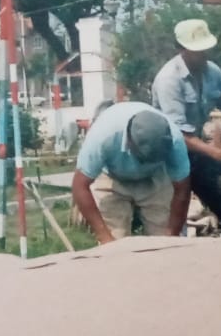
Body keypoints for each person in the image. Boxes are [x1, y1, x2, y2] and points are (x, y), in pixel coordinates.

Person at [152, 18, 221, 238]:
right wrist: (215, 152)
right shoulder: (169, 79)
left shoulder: (212, 72)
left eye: (205, 49)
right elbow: (177, 134)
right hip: (168, 155)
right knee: (172, 221)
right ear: (180, 49)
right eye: (197, 50)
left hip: (197, 151)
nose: (203, 55)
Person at [71, 101, 191, 245]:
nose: (145, 163)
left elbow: (182, 189)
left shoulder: (174, 140)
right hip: (111, 178)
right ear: (129, 141)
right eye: (143, 158)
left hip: (155, 178)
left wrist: (172, 234)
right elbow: (80, 186)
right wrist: (105, 237)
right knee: (115, 244)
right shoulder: (103, 136)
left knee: (163, 243)